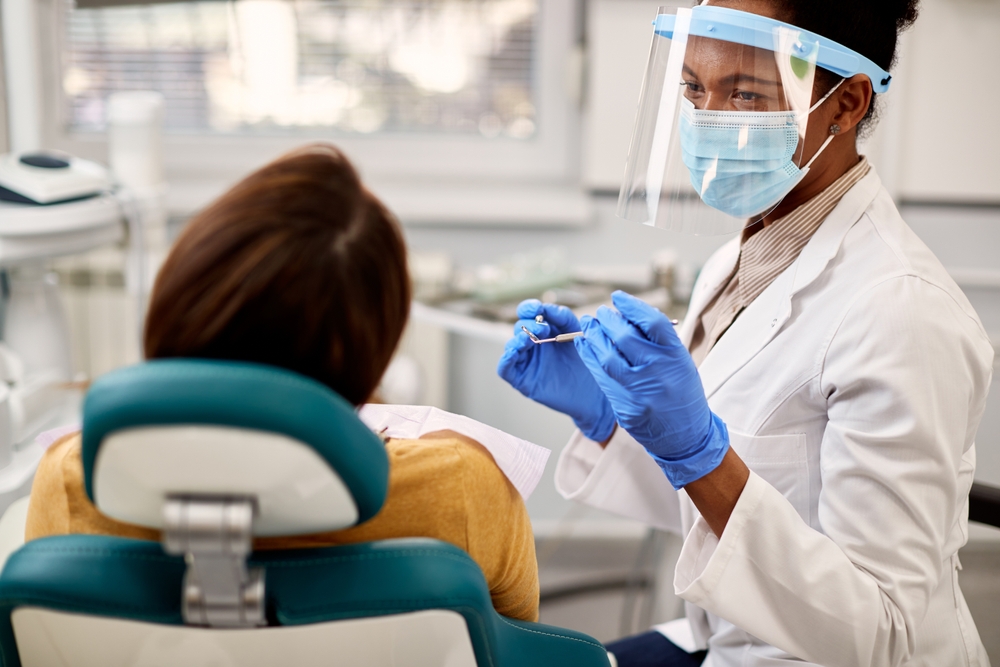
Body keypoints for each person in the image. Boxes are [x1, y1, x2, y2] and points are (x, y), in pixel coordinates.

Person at [499, 1, 994, 665]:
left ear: (846, 103)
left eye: (746, 93)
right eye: (695, 89)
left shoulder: (902, 311)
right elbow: (732, 491)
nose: (708, 120)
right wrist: (611, 419)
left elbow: (884, 633)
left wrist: (700, 453)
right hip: (732, 639)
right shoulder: (743, 257)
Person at [26, 144, 540, 623]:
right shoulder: (462, 488)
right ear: (373, 353)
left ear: (176, 304)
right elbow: (520, 643)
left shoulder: (73, 481)